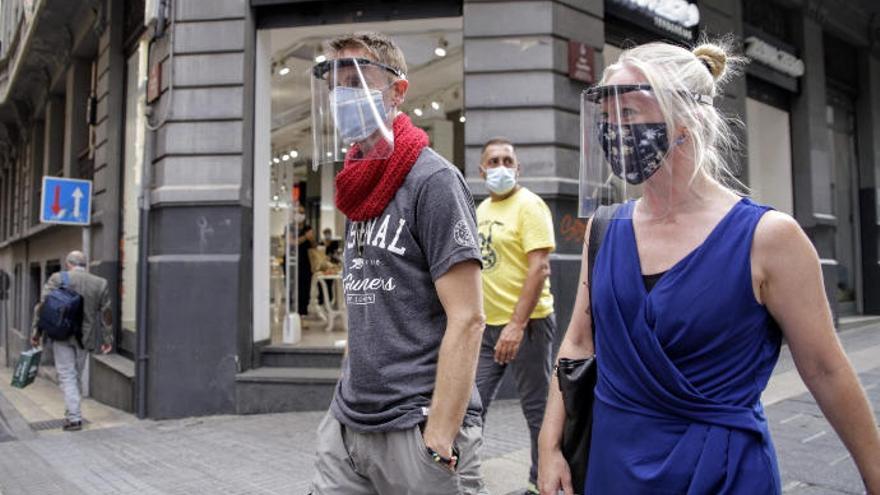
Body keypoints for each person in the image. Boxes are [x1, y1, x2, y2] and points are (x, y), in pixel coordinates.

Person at [538, 39, 880, 494]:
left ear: (687, 117)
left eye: (631, 114)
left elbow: (825, 369)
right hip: (613, 465)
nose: (615, 130)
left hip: (720, 471)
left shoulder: (769, 237)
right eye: (607, 119)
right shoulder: (605, 229)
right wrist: (549, 445)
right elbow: (579, 342)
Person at [308, 32, 488, 494]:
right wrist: (342, 400)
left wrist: (440, 436)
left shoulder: (433, 181)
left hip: (417, 423)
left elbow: (468, 318)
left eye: (355, 80)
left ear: (397, 91)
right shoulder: (355, 188)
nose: (341, 95)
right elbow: (363, 300)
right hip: (350, 422)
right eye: (335, 85)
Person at [474, 138, 556, 495]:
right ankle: (465, 477)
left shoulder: (530, 206)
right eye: (494, 161)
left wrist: (516, 324)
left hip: (528, 325)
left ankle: (541, 484)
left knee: (537, 409)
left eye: (508, 160)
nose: (501, 166)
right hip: (486, 327)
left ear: (518, 168)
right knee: (471, 405)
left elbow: (539, 268)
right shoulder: (479, 211)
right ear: (482, 169)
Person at [30, 251, 112, 432]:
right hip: (85, 338)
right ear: (86, 264)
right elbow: (106, 314)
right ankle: (72, 413)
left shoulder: (57, 278)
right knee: (75, 375)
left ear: (68, 264)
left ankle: (74, 418)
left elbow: (41, 307)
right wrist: (107, 339)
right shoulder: (100, 283)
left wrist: (37, 333)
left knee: (67, 375)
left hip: (61, 335)